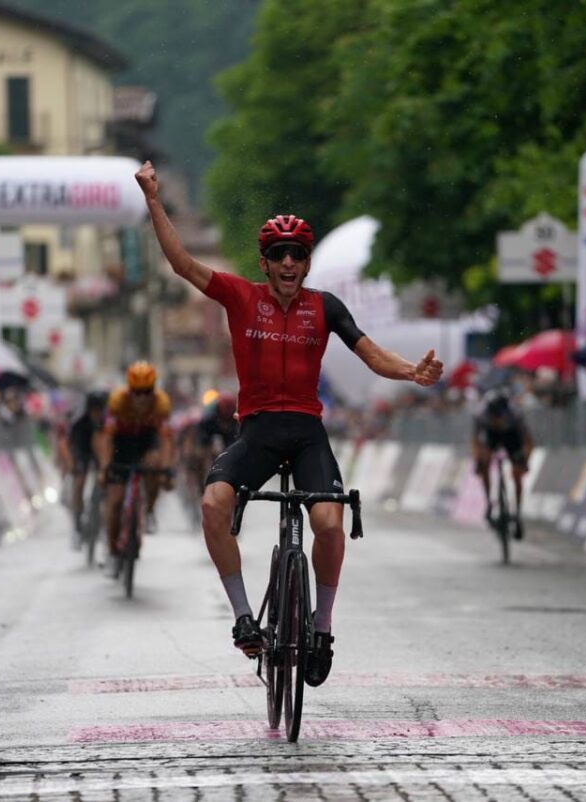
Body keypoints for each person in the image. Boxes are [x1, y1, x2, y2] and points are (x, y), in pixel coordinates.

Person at [135, 160, 444, 687]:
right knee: (213, 504)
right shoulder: (240, 296)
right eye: (278, 254)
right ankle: (242, 617)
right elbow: (183, 264)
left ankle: (321, 626)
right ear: (264, 261)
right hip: (255, 431)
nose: (287, 262)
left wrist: (412, 372)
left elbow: (370, 355)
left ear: (306, 263)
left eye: (297, 254)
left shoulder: (324, 308)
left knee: (328, 523)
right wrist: (154, 201)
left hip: (306, 434)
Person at [94, 361, 175, 558]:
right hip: (122, 443)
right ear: (129, 390)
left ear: (153, 390)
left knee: (154, 464)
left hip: (146, 441)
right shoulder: (117, 401)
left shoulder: (161, 403)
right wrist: (105, 467)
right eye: (136, 392)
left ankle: (148, 510)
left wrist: (166, 469)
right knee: (115, 501)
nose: (141, 398)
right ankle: (113, 550)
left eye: (146, 392)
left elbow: (165, 440)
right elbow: (107, 438)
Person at [472, 395, 534, 539]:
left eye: (500, 418)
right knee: (484, 462)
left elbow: (528, 440)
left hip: (511, 435)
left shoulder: (515, 414)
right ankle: (489, 502)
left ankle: (517, 512)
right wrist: (478, 461)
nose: (498, 421)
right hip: (491, 435)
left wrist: (525, 461)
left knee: (517, 472)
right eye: (495, 418)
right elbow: (475, 440)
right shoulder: (481, 414)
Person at [67, 389, 109, 545]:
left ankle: (105, 524)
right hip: (82, 451)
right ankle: (77, 523)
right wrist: (73, 464)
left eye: (99, 410)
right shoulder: (79, 422)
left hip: (99, 453)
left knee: (106, 482)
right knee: (79, 482)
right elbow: (72, 445)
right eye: (94, 410)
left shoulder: (107, 422)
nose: (96, 414)